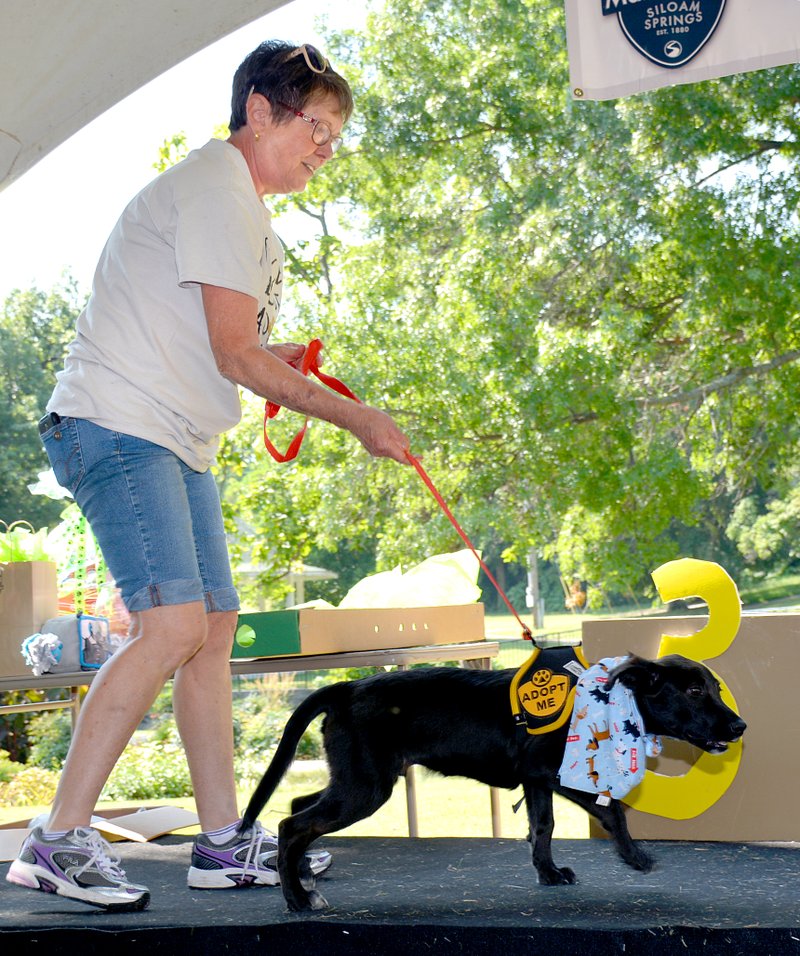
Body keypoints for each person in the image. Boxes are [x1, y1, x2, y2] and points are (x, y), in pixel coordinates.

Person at [7, 40, 410, 912]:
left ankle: (223, 842)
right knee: (171, 626)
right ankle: (59, 841)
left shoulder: (245, 213)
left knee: (212, 628)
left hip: (173, 435)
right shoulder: (216, 188)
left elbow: (230, 343)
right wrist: (359, 418)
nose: (325, 147)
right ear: (260, 110)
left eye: (336, 134)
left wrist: (280, 357)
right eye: (317, 126)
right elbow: (236, 354)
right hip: (118, 424)